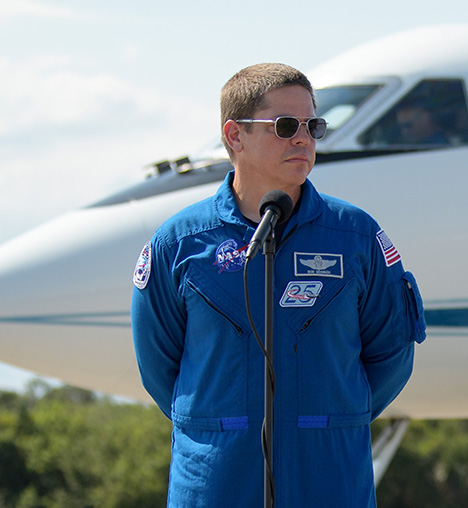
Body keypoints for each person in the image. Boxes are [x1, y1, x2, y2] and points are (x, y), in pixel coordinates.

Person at [131, 63, 426, 507]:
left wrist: (328, 419)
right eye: (285, 126)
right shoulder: (179, 244)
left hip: (329, 479)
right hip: (216, 482)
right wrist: (222, 423)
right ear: (235, 136)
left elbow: (391, 354)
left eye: (314, 125)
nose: (303, 139)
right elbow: (159, 368)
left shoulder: (357, 236)